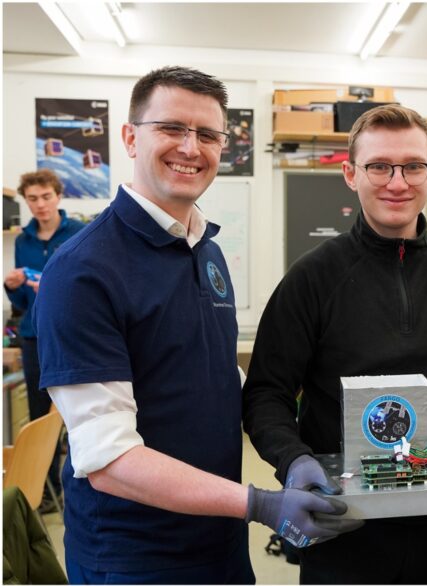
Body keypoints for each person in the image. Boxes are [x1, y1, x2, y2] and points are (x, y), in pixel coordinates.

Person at [33, 66, 358, 585]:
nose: (191, 147)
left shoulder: (205, 248)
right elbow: (109, 458)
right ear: (130, 136)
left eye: (208, 134)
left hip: (218, 542)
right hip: (134, 558)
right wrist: (258, 503)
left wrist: (292, 454)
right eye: (172, 128)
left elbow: (213, 375)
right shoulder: (82, 271)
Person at [242, 104, 427, 584]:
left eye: (413, 166)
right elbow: (266, 392)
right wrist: (294, 458)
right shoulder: (312, 279)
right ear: (350, 174)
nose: (397, 181)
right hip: (343, 526)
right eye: (379, 166)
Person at [3, 169, 85, 512]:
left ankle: (80, 487)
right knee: (41, 416)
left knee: (78, 413)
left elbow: (87, 289)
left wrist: (53, 288)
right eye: (32, 199)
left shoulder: (80, 233)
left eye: (45, 197)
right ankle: (47, 489)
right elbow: (23, 304)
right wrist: (11, 288)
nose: (40, 205)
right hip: (35, 337)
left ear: (58, 196)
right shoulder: (23, 241)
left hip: (72, 335)